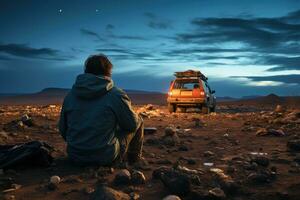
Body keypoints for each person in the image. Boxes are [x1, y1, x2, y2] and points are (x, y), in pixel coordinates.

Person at [58, 54, 144, 166]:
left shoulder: (70, 96)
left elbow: (63, 130)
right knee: (138, 120)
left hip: (75, 156)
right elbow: (131, 125)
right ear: (108, 72)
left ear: (86, 71)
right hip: (105, 157)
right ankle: (134, 161)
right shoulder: (115, 95)